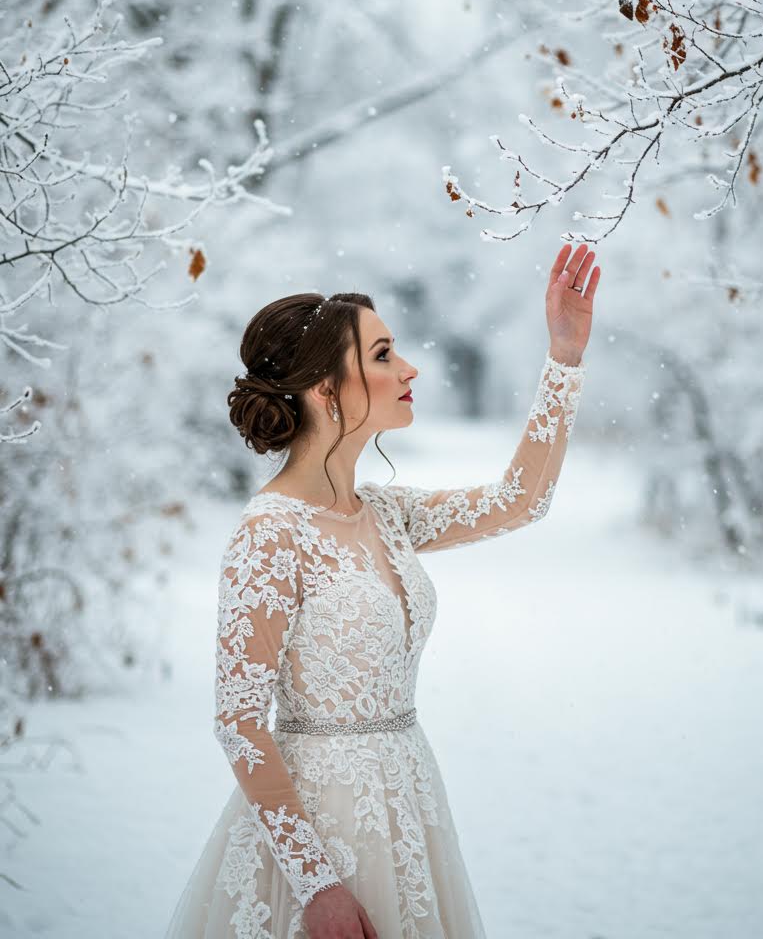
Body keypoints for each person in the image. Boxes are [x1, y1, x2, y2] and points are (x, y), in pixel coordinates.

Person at [164, 242, 599, 939]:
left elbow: (522, 500)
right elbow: (240, 725)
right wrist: (318, 886)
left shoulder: (387, 514)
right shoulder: (269, 536)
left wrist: (565, 359)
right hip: (316, 837)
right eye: (383, 355)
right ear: (325, 389)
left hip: (410, 806)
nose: (409, 369)